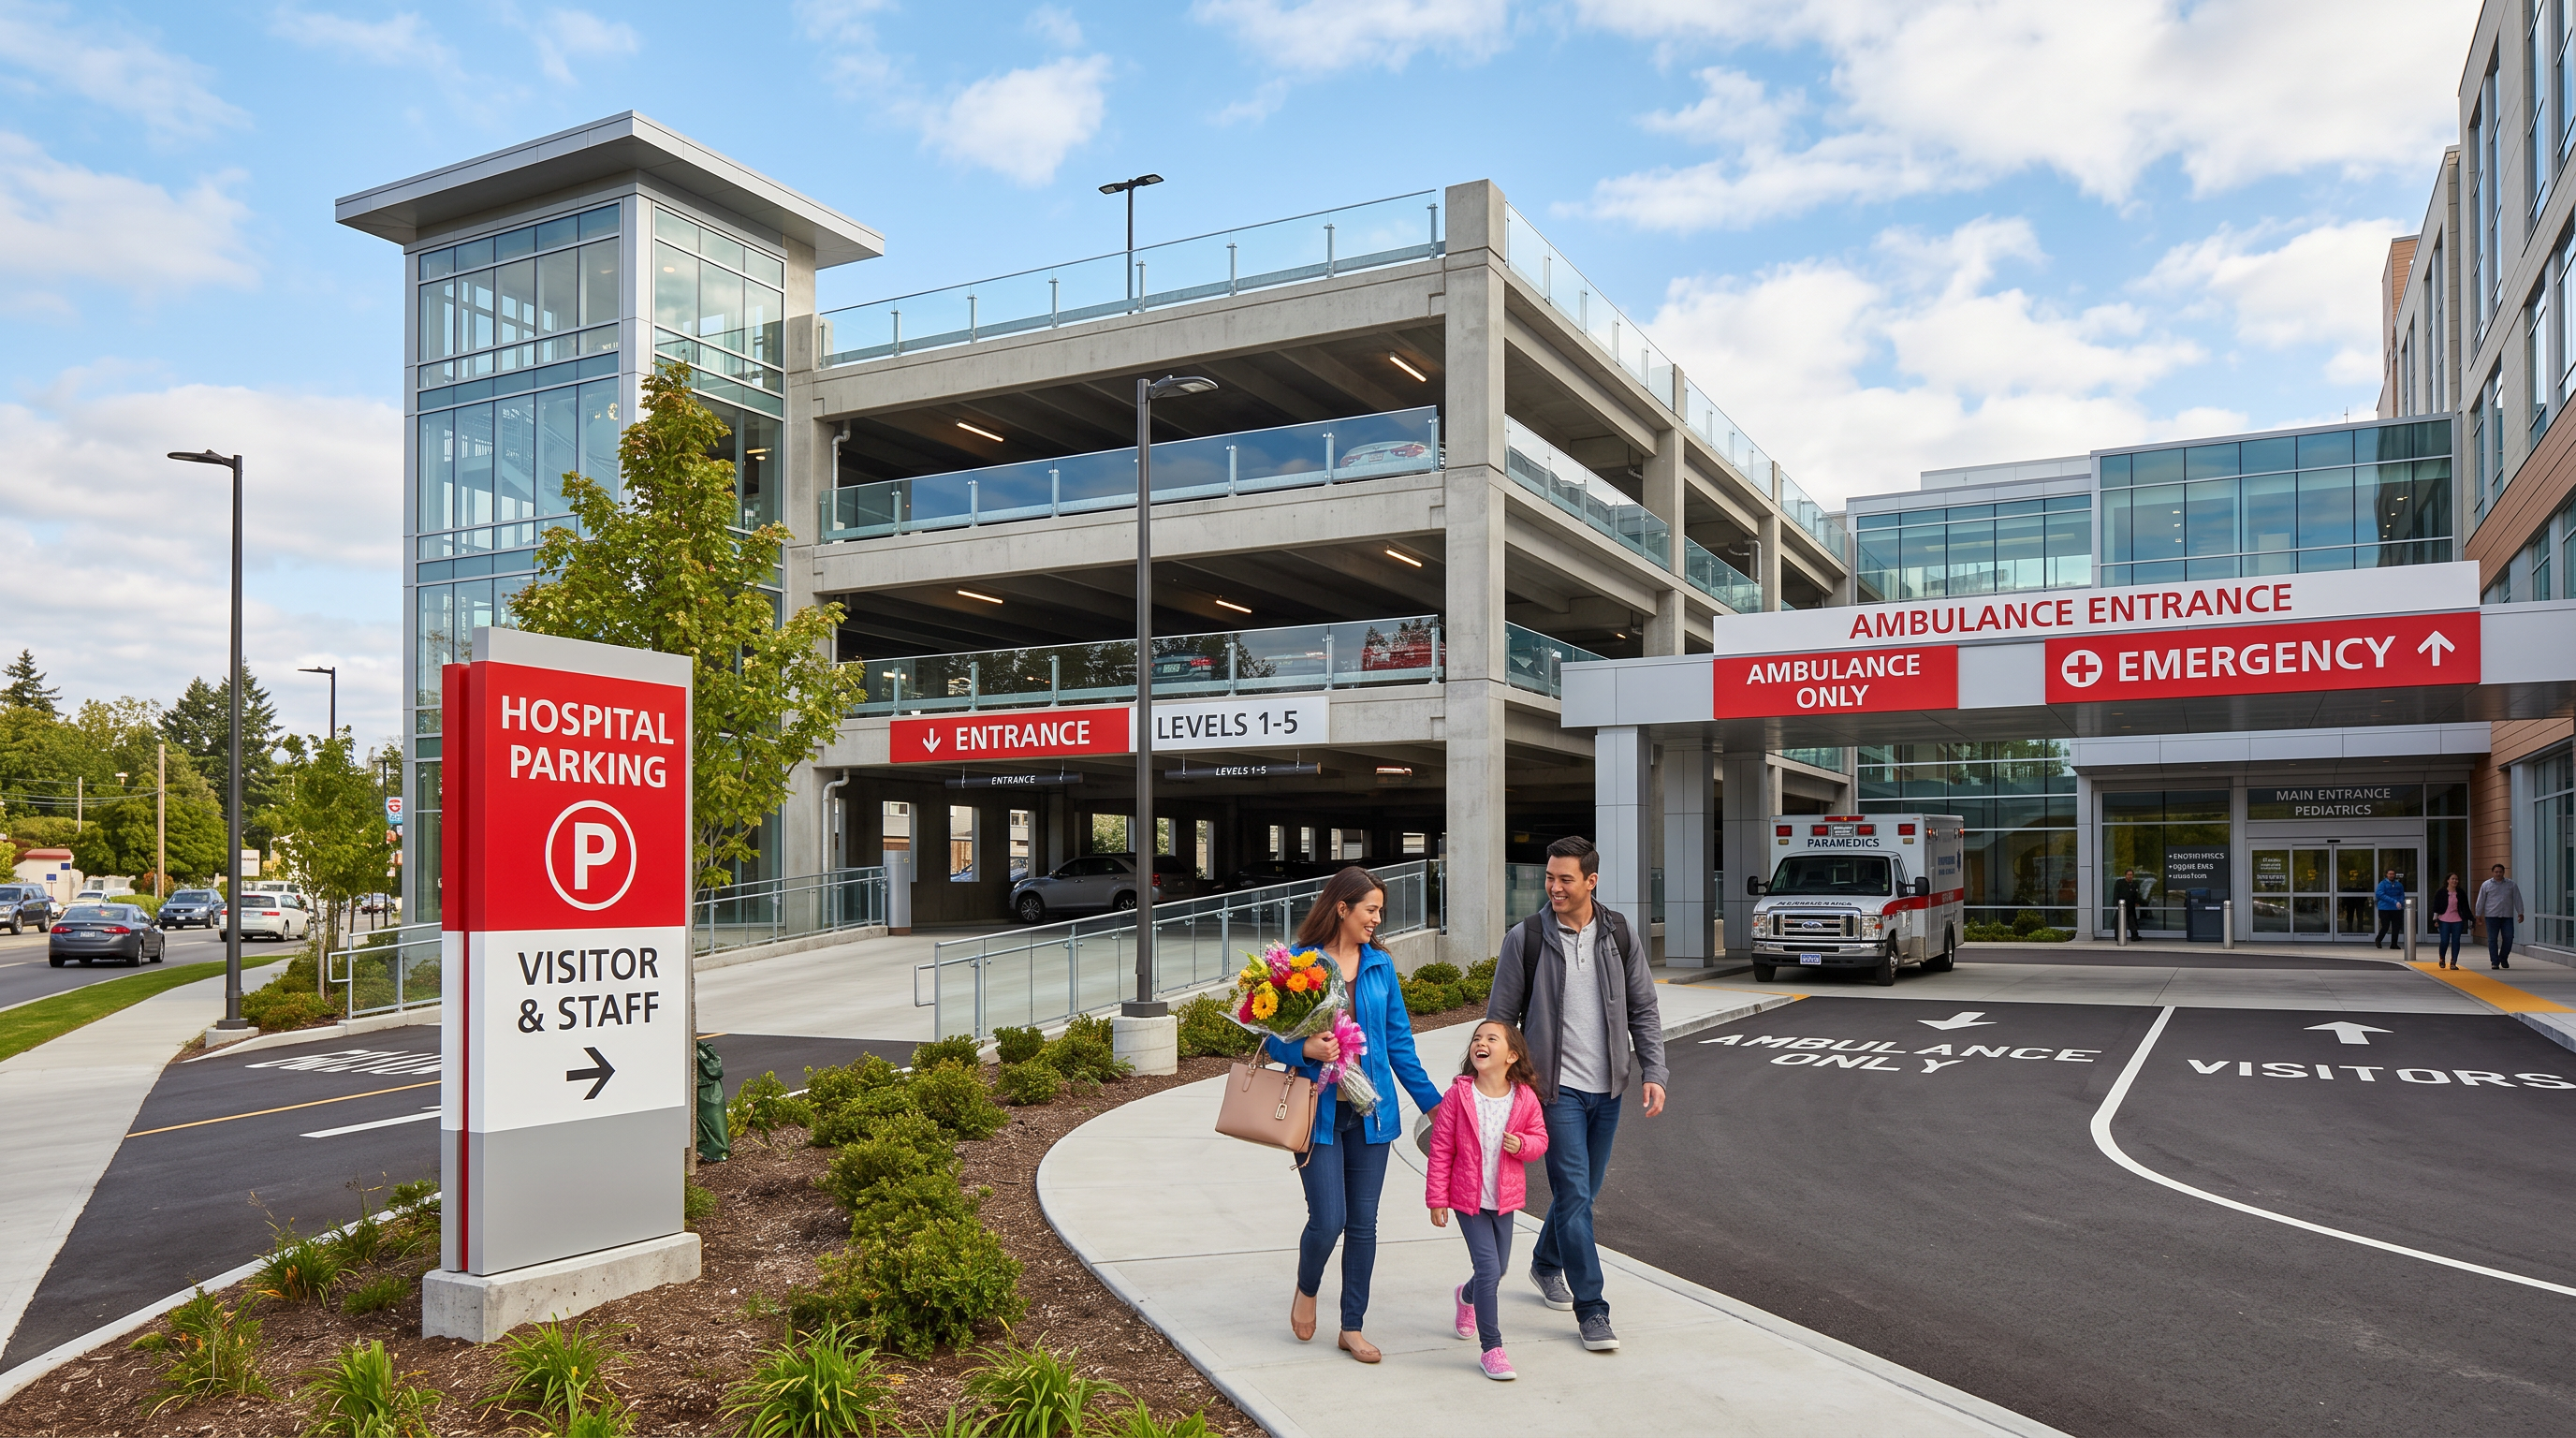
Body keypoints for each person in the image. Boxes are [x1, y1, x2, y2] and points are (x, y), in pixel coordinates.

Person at [1486, 835, 1668, 1355]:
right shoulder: (1526, 938)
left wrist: (1653, 1069)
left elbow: (1644, 1008)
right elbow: (1500, 1019)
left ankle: (1546, 1262)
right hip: (1554, 1092)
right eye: (1550, 877)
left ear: (1591, 881)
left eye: (1566, 878)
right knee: (1573, 1195)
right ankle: (1593, 1309)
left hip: (1607, 1088)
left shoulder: (1619, 934)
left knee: (1580, 1197)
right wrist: (1497, 1084)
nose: (1554, 887)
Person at [1267, 866, 1444, 1364]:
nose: (1377, 919)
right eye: (1371, 909)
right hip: (1316, 1114)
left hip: (1371, 1114)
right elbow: (1269, 1036)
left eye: (1379, 911)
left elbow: (1399, 1044)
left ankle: (1352, 1326)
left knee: (1363, 1223)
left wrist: (1435, 1105)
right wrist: (1307, 1047)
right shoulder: (1300, 965)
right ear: (1342, 907)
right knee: (1328, 1220)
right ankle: (1306, 1289)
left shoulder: (1380, 966)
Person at [1425, 1020, 1550, 1382]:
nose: (1480, 1043)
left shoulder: (1524, 1097)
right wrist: (1437, 1199)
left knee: (1499, 1270)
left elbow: (1540, 1139)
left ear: (1511, 1056)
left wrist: (1523, 1145)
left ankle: (1466, 1297)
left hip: (1504, 1199)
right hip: (1467, 1199)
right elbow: (1441, 1149)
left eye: (1491, 1039)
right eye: (1477, 1038)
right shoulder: (1459, 1097)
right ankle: (1492, 1348)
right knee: (1490, 1270)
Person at [2476, 863, 2526, 970]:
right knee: (2492, 939)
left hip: (2506, 916)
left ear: (2503, 872)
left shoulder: (2511, 885)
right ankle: (2494, 961)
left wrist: (2520, 912)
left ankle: (2503, 958)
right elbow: (2481, 900)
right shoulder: (2486, 885)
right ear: (2493, 872)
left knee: (2508, 938)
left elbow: (2517, 898)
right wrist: (2478, 914)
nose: (2498, 874)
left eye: (2500, 872)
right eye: (2496, 872)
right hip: (2491, 916)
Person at [2433, 873, 2467, 970]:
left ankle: (2453, 962)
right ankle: (2442, 958)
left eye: (2456, 879)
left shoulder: (2460, 893)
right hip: (2444, 919)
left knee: (2456, 941)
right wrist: (2435, 919)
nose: (2455, 881)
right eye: (2452, 879)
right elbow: (2436, 906)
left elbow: (2465, 907)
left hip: (2457, 920)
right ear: (2448, 880)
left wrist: (2471, 919)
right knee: (2444, 941)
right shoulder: (2441, 892)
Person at [2374, 869, 2407, 949]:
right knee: (2385, 926)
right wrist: (2394, 901)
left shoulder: (2399, 885)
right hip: (2384, 908)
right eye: (2390, 874)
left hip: (2396, 909)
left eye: (2393, 874)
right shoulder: (2382, 884)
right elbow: (2380, 895)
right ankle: (2378, 940)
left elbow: (2402, 894)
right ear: (2386, 875)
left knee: (2396, 927)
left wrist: (2400, 902)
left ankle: (2394, 944)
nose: (2392, 875)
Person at [2112, 870, 2144, 940]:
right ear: (2125, 875)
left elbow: (2137, 894)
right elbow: (2116, 893)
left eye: (2131, 875)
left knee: (2132, 921)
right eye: (2128, 875)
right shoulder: (2120, 883)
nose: (2130, 876)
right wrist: (2116, 904)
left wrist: (2137, 902)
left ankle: (2134, 936)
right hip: (2122, 905)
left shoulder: (2135, 884)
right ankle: (2118, 936)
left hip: (2131, 906)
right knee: (2119, 922)